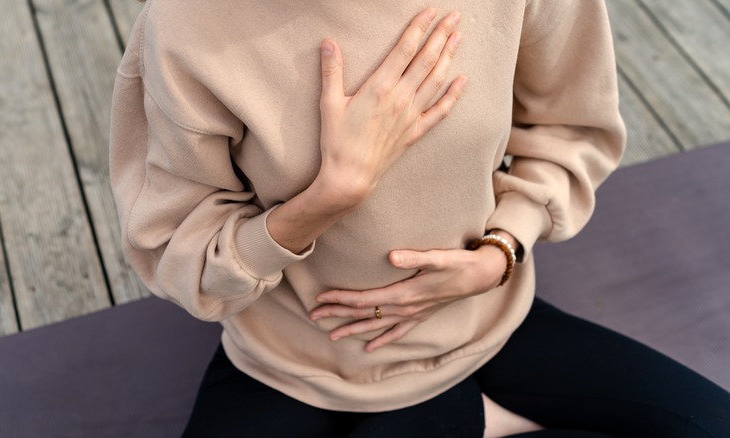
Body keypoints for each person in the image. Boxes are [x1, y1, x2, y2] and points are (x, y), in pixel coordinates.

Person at [109, 0, 730, 436]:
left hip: (484, 321)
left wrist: (500, 251)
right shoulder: (185, 25)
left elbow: (570, 128)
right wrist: (326, 199)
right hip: (292, 360)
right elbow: (177, 251)